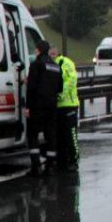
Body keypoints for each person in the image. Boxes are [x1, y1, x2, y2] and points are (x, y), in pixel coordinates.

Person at [24, 39, 62, 175]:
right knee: (50, 135)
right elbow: (60, 87)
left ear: (38, 50)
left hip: (37, 106)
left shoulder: (36, 64)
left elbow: (31, 88)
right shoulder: (56, 66)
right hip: (52, 106)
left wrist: (28, 107)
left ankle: (36, 167)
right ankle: (50, 166)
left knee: (33, 134)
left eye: (35, 49)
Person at [49, 46, 79, 170]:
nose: (52, 55)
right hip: (56, 107)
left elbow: (71, 81)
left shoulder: (66, 63)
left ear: (58, 53)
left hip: (69, 105)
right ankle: (61, 161)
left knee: (70, 135)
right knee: (59, 135)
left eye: (54, 53)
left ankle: (74, 160)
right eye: (50, 53)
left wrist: (60, 95)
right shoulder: (49, 65)